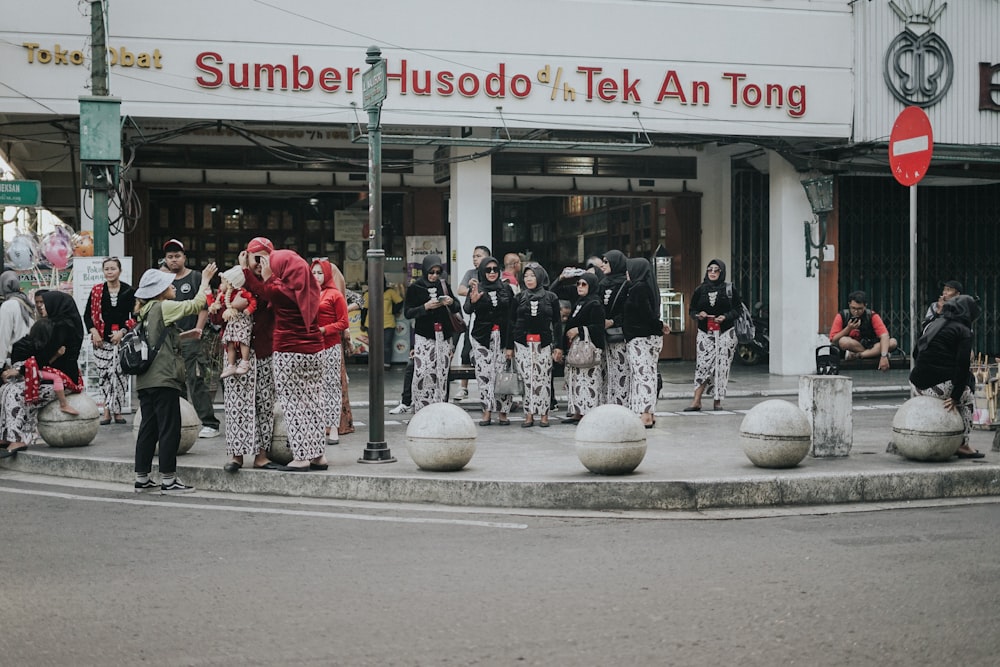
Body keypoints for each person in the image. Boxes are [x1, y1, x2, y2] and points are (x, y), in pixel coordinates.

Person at [129, 263, 217, 492]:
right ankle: (168, 478)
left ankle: (142, 477)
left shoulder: (145, 310)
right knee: (170, 427)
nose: (174, 287)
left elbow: (159, 339)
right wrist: (205, 281)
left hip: (146, 380)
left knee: (148, 428)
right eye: (169, 285)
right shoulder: (163, 306)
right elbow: (197, 304)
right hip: (164, 378)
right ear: (160, 291)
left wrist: (187, 334)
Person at [244, 250, 328, 472]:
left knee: (294, 405)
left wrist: (248, 269)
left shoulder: (280, 290)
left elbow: (261, 289)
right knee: (314, 403)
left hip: (289, 353)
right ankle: (318, 456)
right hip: (316, 351)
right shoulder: (311, 287)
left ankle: (301, 457)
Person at [227, 237, 280, 472]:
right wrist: (241, 274)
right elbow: (220, 313)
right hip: (237, 354)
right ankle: (236, 456)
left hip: (266, 351)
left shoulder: (275, 281)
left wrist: (252, 274)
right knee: (236, 405)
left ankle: (261, 455)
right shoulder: (234, 279)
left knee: (264, 405)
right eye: (255, 257)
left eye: (264, 257)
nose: (260, 263)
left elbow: (266, 298)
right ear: (245, 256)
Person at [909, 295, 984, 459]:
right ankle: (963, 445)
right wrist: (956, 396)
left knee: (958, 382)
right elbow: (963, 366)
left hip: (916, 385)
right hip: (936, 388)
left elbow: (916, 353)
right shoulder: (963, 331)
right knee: (968, 396)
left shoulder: (934, 324)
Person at [162, 239, 220, 438]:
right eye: (170, 257)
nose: (173, 260)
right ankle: (183, 421)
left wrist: (198, 329)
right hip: (171, 339)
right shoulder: (163, 280)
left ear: (184, 257)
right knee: (175, 381)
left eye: (177, 256)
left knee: (196, 378)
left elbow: (204, 305)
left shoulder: (196, 277)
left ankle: (209, 422)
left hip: (192, 337)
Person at [506, 263, 560, 427]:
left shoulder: (551, 297)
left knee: (543, 379)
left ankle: (544, 414)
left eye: (533, 276)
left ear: (540, 277)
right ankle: (528, 414)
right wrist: (509, 347)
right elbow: (511, 322)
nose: (529, 279)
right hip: (522, 343)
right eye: (526, 276)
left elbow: (557, 323)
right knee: (527, 380)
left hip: (543, 343)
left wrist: (558, 346)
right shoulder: (518, 297)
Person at [404, 255, 461, 411]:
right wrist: (425, 307)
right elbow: (408, 313)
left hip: (443, 336)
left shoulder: (444, 286)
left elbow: (457, 308)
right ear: (425, 271)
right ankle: (421, 409)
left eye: (438, 272)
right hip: (424, 336)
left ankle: (440, 408)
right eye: (431, 272)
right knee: (422, 372)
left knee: (442, 373)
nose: (434, 276)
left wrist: (450, 302)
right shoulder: (415, 288)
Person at [84, 257, 136, 424]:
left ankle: (118, 411)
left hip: (121, 340)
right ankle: (106, 410)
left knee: (120, 376)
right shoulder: (97, 290)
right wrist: (94, 333)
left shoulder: (129, 291)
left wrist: (122, 332)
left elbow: (135, 317)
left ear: (120, 271)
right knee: (105, 376)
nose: (109, 272)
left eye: (113, 268)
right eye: (106, 269)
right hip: (101, 341)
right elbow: (87, 316)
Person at [463, 255, 514, 426]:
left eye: (495, 269)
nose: (492, 273)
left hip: (503, 337)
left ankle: (503, 412)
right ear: (482, 271)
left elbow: (512, 317)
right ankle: (486, 411)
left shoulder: (507, 289)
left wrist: (510, 345)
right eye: (488, 270)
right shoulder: (477, 287)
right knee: (484, 375)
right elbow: (467, 309)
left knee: (502, 375)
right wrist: (473, 299)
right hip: (482, 338)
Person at [685, 259, 741, 411]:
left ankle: (717, 401)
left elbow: (738, 310)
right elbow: (692, 310)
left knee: (721, 367)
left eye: (717, 270)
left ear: (722, 272)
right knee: (702, 365)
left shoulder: (729, 289)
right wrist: (699, 315)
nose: (713, 273)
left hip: (725, 333)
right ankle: (697, 400)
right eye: (710, 270)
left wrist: (725, 317)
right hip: (705, 333)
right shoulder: (700, 290)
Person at [552, 272, 605, 424]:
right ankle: (577, 412)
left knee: (587, 382)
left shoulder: (595, 303)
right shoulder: (579, 301)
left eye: (584, 284)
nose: (580, 287)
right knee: (574, 381)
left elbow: (598, 327)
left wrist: (579, 330)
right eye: (578, 284)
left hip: (587, 349)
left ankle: (587, 413)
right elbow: (554, 291)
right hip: (575, 349)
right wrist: (561, 278)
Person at [623, 257, 669, 428]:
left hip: (640, 338)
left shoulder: (638, 288)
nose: (627, 273)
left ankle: (645, 414)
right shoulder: (647, 286)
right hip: (649, 338)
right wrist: (660, 325)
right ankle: (648, 413)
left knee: (643, 376)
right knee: (648, 374)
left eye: (630, 269)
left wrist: (658, 325)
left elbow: (645, 314)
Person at [311, 258, 349, 446]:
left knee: (331, 386)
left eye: (320, 273)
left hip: (330, 346)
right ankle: (318, 426)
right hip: (311, 346)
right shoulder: (307, 293)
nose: (316, 276)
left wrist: (325, 330)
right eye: (314, 272)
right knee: (313, 388)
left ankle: (333, 427)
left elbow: (344, 322)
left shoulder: (335, 295)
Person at [454, 245, 491, 400]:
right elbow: (460, 290)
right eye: (474, 256)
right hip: (474, 319)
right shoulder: (471, 274)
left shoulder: (493, 272)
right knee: (465, 353)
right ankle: (464, 388)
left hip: (491, 320)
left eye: (479, 256)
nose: (475, 259)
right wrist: (474, 290)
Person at [829, 290, 898, 371]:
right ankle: (873, 354)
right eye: (853, 308)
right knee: (843, 341)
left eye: (859, 309)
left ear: (865, 306)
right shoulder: (842, 315)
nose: (856, 312)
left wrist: (883, 356)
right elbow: (833, 339)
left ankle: (860, 355)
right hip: (852, 347)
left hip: (870, 344)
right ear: (849, 304)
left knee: (892, 342)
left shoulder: (871, 316)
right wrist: (848, 329)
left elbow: (884, 335)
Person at [208, 265, 256, 379]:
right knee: (229, 343)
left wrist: (248, 309)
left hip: (243, 326)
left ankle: (244, 362)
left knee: (243, 341)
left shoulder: (242, 292)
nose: (220, 286)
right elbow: (215, 318)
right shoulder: (223, 295)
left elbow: (253, 302)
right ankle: (231, 365)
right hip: (230, 329)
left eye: (223, 283)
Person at [598, 249, 631, 406]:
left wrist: (613, 321)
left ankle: (620, 405)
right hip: (603, 335)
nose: (602, 265)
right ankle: (605, 405)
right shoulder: (602, 283)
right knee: (604, 370)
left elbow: (629, 309)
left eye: (606, 262)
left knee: (620, 369)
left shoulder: (626, 283)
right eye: (602, 261)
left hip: (619, 335)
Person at [363, 277, 404, 372]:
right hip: (371, 324)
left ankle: (386, 364)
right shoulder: (367, 294)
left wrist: (393, 311)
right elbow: (364, 309)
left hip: (388, 323)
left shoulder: (390, 292)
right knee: (373, 346)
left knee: (386, 346)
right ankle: (374, 365)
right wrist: (362, 323)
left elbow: (400, 302)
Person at [0, 270, 35, 365]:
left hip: (15, 355)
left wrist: (1, 363)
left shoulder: (8, 305)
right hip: (29, 355)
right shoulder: (25, 301)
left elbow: (4, 334)